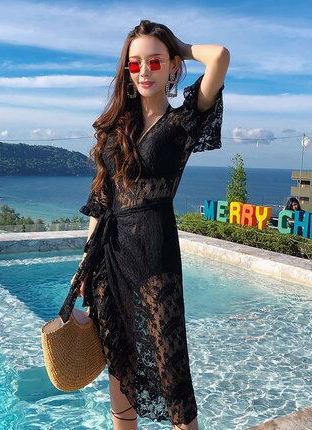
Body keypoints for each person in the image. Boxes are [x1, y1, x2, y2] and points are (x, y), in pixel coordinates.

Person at [68, 19, 229, 430]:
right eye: (135, 63)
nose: (143, 71)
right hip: (110, 258)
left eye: (155, 62)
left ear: (171, 66)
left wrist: (178, 47)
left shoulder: (182, 122)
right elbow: (100, 201)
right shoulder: (117, 130)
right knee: (120, 366)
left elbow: (219, 56)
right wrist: (84, 265)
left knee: (172, 372)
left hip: (155, 254)